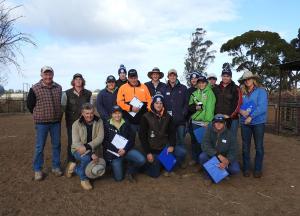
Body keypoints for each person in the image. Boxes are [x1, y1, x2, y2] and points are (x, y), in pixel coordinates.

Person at [27, 66, 63, 181]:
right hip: (41, 123)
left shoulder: (58, 87)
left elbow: (61, 103)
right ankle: (38, 169)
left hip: (56, 122)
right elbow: (30, 105)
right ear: (41, 75)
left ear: (52, 75)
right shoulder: (35, 88)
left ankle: (56, 167)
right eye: (45, 74)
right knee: (39, 147)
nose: (48, 76)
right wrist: (39, 114)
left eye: (50, 74)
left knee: (56, 145)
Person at [139, 93, 186, 178]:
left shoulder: (168, 116)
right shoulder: (146, 117)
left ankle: (165, 164)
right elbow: (142, 137)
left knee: (181, 152)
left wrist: (171, 145)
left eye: (161, 103)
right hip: (152, 148)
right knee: (155, 174)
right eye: (156, 103)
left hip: (164, 148)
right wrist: (148, 152)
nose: (159, 105)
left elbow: (172, 132)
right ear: (153, 104)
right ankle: (148, 165)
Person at [103, 105, 146, 182]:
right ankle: (119, 165)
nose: (117, 115)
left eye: (119, 113)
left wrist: (125, 149)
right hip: (115, 153)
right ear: (111, 114)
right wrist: (117, 151)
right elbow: (105, 142)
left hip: (127, 150)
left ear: (122, 113)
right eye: (115, 113)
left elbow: (131, 139)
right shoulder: (106, 125)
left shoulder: (127, 123)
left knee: (141, 160)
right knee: (119, 178)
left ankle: (130, 170)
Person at [61, 73, 92, 178]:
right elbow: (62, 108)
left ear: (82, 81)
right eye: (76, 79)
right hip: (71, 123)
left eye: (80, 79)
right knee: (72, 143)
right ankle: (71, 163)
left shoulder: (88, 93)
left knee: (86, 141)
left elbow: (90, 107)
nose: (78, 81)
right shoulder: (66, 93)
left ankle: (86, 162)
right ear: (73, 81)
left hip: (85, 123)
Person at [238, 69, 268, 178]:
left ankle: (257, 169)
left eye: (249, 79)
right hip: (244, 123)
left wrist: (251, 116)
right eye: (245, 79)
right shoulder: (241, 92)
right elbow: (237, 105)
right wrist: (240, 111)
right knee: (245, 146)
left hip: (258, 123)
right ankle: (246, 168)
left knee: (259, 146)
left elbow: (262, 107)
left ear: (253, 79)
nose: (247, 81)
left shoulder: (261, 91)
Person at [71, 103, 104, 190]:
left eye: (91, 113)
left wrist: (89, 148)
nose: (89, 115)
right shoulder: (76, 124)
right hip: (78, 149)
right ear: (82, 113)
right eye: (87, 113)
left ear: (94, 112)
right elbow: (76, 143)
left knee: (99, 170)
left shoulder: (99, 121)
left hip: (93, 149)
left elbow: (100, 138)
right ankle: (83, 179)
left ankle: (75, 168)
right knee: (86, 159)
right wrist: (90, 154)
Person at [199, 114, 240, 180]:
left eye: (221, 122)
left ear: (224, 123)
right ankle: (207, 176)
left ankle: (222, 172)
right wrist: (218, 155)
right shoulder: (209, 131)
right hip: (213, 155)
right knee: (202, 157)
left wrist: (227, 160)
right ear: (213, 123)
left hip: (225, 157)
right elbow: (205, 145)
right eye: (216, 122)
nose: (218, 124)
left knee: (235, 169)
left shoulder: (230, 134)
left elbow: (233, 150)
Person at [116, 69, 152, 145]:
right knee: (130, 140)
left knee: (145, 139)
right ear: (128, 78)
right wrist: (130, 108)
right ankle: (131, 155)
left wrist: (149, 111)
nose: (133, 79)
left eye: (134, 77)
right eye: (131, 78)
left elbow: (149, 100)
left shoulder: (144, 87)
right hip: (129, 120)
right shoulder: (123, 87)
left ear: (137, 77)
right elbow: (119, 102)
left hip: (142, 119)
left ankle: (147, 155)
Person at [163, 69, 188, 167]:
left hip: (180, 121)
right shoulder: (164, 88)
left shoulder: (183, 88)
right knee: (168, 142)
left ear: (176, 76)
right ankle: (169, 163)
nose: (172, 77)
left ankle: (181, 162)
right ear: (168, 77)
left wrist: (183, 113)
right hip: (168, 121)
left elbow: (186, 103)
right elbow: (161, 104)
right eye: (170, 75)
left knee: (181, 140)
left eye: (174, 75)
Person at [188, 75, 216, 163]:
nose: (201, 84)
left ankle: (206, 162)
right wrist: (194, 107)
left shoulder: (210, 92)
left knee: (205, 143)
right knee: (196, 142)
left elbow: (210, 108)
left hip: (205, 122)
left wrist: (208, 121)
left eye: (203, 82)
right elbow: (190, 106)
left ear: (206, 83)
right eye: (199, 83)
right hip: (195, 121)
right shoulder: (194, 93)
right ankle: (197, 160)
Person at [213, 64, 242, 140]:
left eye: (227, 76)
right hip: (218, 118)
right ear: (221, 76)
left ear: (231, 77)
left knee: (231, 139)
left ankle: (231, 152)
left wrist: (230, 116)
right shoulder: (216, 88)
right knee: (219, 139)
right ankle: (219, 152)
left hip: (232, 119)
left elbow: (239, 103)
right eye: (224, 76)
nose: (225, 77)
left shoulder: (236, 88)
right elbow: (212, 103)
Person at [186, 71, 200, 166]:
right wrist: (195, 107)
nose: (194, 80)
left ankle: (202, 160)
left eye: (195, 78)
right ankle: (195, 159)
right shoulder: (188, 91)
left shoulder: (204, 89)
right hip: (192, 118)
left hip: (203, 119)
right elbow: (187, 105)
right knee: (194, 139)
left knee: (202, 140)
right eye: (192, 78)